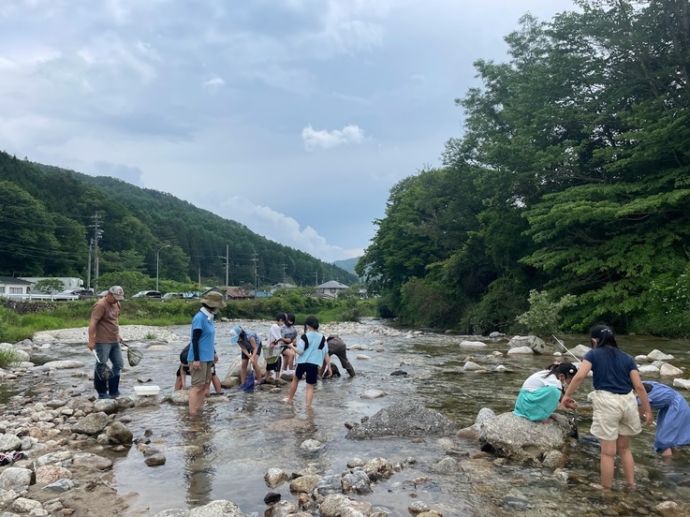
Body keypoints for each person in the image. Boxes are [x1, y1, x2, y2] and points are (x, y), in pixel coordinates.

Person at [562, 324, 653, 490]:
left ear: (594, 340)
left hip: (607, 402)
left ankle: (606, 489)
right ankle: (631, 484)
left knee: (607, 452)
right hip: (628, 402)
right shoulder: (627, 357)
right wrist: (647, 410)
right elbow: (639, 387)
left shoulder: (593, 354)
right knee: (625, 449)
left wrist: (567, 395)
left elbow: (580, 376)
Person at [187, 291, 225, 416]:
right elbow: (195, 339)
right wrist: (196, 359)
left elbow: (208, 339)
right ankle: (192, 414)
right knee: (197, 386)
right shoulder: (199, 318)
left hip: (208, 357)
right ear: (213, 305)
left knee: (204, 386)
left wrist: (214, 353)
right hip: (199, 358)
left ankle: (198, 410)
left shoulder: (209, 317)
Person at [284, 315, 331, 408]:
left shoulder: (305, 336)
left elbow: (300, 351)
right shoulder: (322, 338)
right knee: (310, 386)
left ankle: (289, 399)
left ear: (308, 325)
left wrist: (292, 346)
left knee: (295, 380)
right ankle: (308, 407)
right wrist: (328, 367)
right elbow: (326, 353)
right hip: (314, 364)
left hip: (302, 363)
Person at [88, 285, 125, 399]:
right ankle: (102, 393)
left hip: (114, 340)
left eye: (119, 298)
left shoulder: (117, 304)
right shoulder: (101, 305)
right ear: (109, 294)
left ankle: (114, 391)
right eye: (115, 297)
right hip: (102, 341)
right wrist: (91, 340)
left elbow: (114, 321)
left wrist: (118, 335)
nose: (116, 300)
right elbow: (93, 322)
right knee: (101, 365)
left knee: (118, 364)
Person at [513, 363, 578, 422]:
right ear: (562, 376)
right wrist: (568, 403)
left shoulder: (548, 374)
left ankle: (542, 413)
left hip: (523, 403)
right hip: (527, 403)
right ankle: (539, 416)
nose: (571, 383)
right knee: (554, 392)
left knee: (554, 391)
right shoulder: (554, 380)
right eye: (571, 380)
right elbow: (561, 399)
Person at [641, 381, 690, 457]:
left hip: (676, 408)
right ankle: (676, 461)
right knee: (669, 442)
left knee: (663, 443)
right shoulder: (644, 383)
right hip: (670, 407)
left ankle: (667, 466)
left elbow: (639, 414)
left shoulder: (639, 397)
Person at [264, 313, 286, 381]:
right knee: (277, 360)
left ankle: (267, 377)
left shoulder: (274, 326)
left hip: (271, 347)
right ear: (280, 320)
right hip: (273, 347)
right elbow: (278, 338)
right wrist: (286, 341)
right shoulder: (275, 326)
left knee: (270, 362)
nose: (283, 323)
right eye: (283, 322)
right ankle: (277, 378)